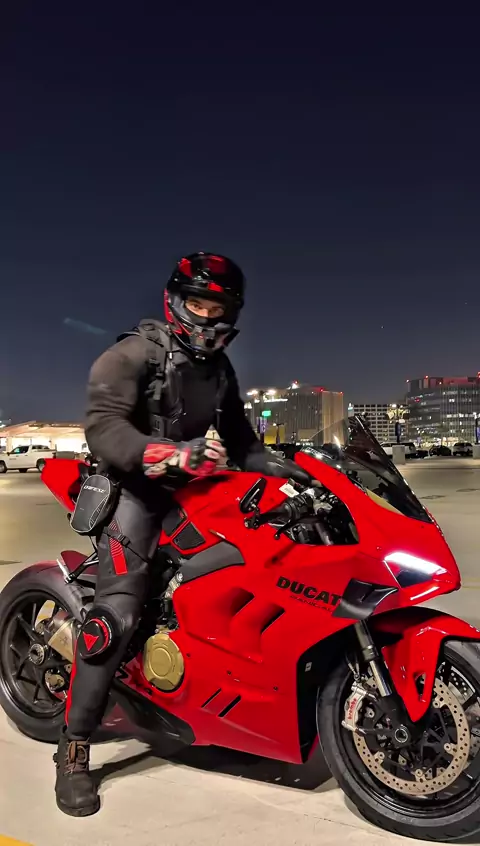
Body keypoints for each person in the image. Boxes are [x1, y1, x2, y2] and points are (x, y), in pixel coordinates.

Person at [54, 251, 308, 816]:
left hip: (192, 489)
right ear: (176, 303)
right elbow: (104, 429)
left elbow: (241, 441)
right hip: (132, 491)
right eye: (199, 304)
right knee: (117, 613)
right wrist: (168, 453)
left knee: (249, 566)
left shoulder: (220, 369)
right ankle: (74, 748)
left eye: (219, 307)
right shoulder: (132, 354)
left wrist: (294, 468)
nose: (208, 317)